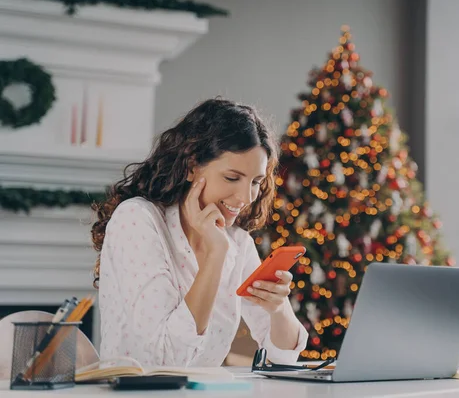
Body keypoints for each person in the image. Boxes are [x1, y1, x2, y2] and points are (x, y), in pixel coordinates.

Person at [91, 98, 308, 367]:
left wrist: (278, 308)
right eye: (232, 178)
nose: (245, 197)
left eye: (256, 182)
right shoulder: (137, 219)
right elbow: (163, 361)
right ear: (192, 166)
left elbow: (284, 357)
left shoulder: (237, 242)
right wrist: (215, 258)